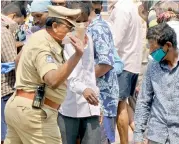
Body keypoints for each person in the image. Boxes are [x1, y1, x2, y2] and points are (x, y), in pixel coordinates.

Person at [4, 5, 98, 144]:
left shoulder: (39, 36)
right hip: (35, 113)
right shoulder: (44, 45)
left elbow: (18, 60)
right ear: (55, 26)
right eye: (69, 27)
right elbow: (53, 80)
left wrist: (27, 85)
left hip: (20, 106)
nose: (72, 31)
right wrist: (77, 55)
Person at [134, 23, 179, 144]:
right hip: (156, 136)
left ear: (168, 45)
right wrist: (138, 134)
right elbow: (143, 101)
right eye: (149, 47)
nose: (151, 52)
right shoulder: (152, 67)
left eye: (154, 49)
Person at [58, 1, 100, 144]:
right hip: (70, 106)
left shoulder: (90, 39)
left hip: (91, 105)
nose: (81, 25)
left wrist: (93, 92)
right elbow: (68, 75)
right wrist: (84, 89)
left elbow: (89, 72)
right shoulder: (64, 42)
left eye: (84, 21)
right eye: (77, 21)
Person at [108, 0, 144, 143]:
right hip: (131, 63)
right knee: (124, 104)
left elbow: (115, 41)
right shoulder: (130, 6)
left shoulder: (122, 9)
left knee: (120, 106)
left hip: (122, 64)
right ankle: (141, 137)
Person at [88, 1, 119, 143]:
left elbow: (105, 64)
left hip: (102, 101)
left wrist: (83, 78)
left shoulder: (98, 29)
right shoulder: (90, 27)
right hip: (93, 101)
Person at [1, 3, 26, 144]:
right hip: (5, 89)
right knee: (8, 135)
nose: (18, 27)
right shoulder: (4, 32)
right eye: (19, 23)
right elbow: (12, 62)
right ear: (13, 16)